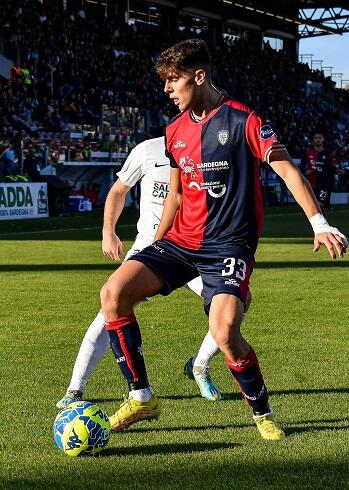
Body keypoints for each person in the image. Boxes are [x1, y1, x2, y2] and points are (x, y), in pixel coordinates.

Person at [98, 39, 348, 441]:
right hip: (180, 242)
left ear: (199, 76)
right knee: (113, 293)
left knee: (225, 332)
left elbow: (286, 171)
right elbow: (177, 194)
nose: (167, 90)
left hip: (229, 246)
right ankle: (142, 397)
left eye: (173, 80)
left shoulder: (244, 119)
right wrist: (151, 248)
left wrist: (318, 222)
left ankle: (262, 412)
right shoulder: (174, 130)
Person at [56, 136, 241, 409]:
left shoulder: (211, 150)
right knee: (108, 311)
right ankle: (75, 389)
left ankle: (199, 366)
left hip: (193, 249)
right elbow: (119, 190)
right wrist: (108, 231)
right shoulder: (147, 149)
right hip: (150, 250)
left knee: (233, 308)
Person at [304, 131, 338, 209]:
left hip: (323, 183)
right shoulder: (308, 153)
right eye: (316, 138)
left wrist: (336, 170)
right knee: (312, 206)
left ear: (323, 139)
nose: (318, 140)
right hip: (311, 183)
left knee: (320, 204)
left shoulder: (328, 153)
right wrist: (305, 171)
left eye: (320, 138)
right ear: (313, 140)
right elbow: (303, 166)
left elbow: (332, 166)